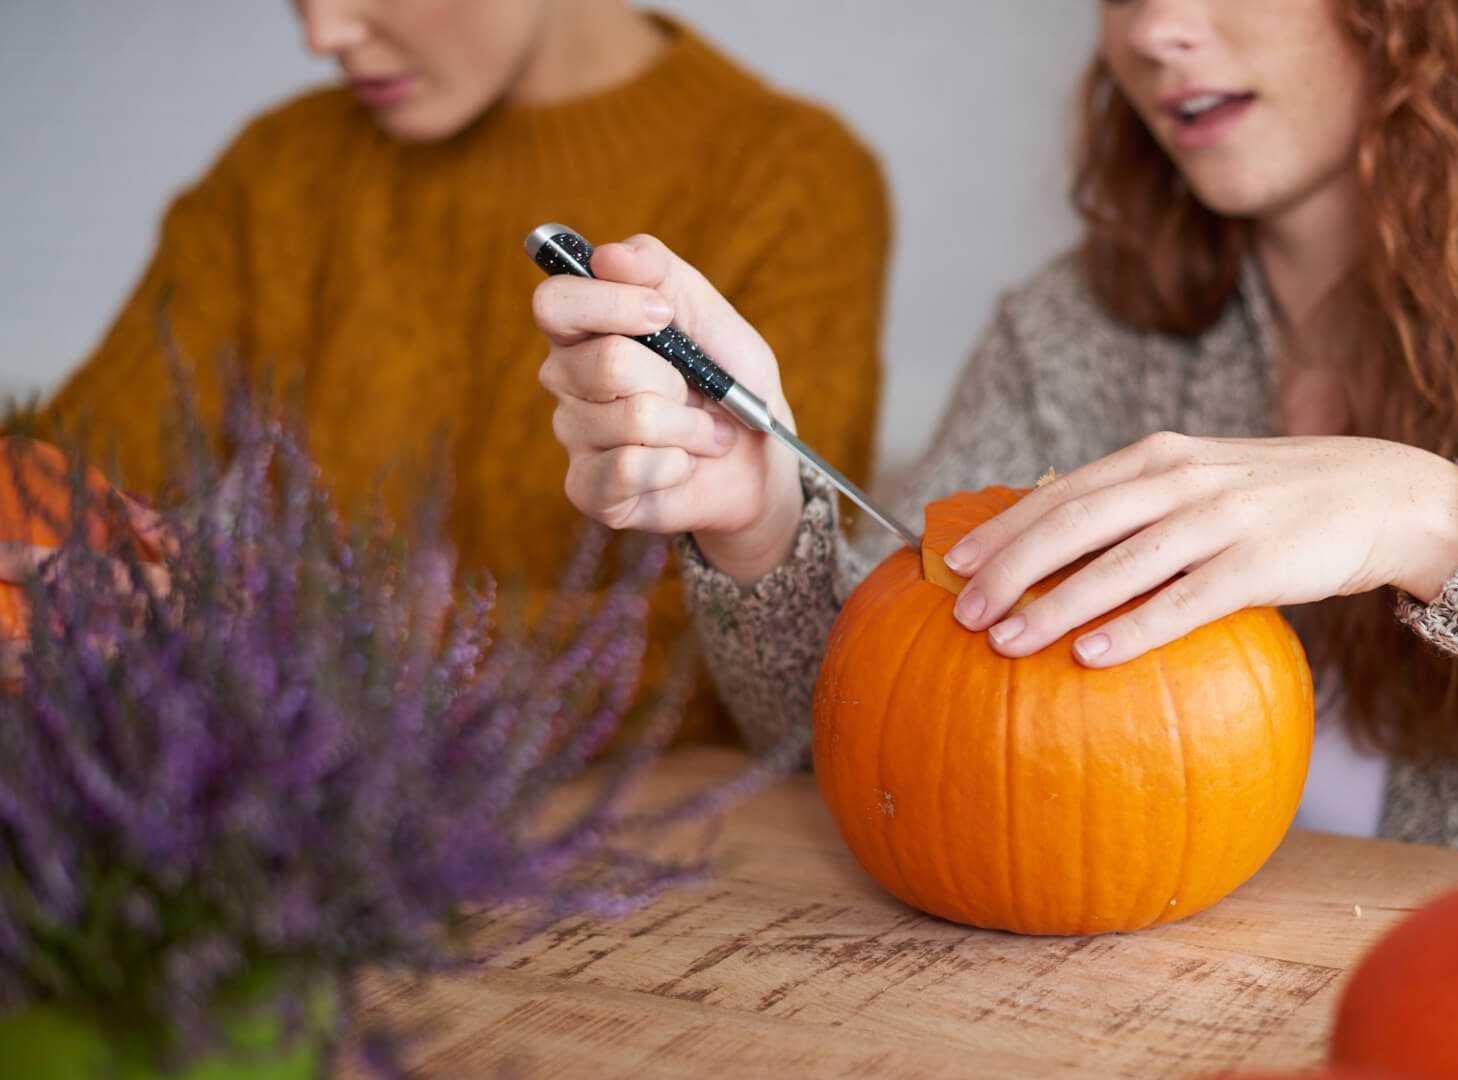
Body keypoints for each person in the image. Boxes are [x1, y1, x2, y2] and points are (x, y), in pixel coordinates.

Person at [532, 0, 1458, 866]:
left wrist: (1444, 523)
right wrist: (758, 517)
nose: (1151, 29)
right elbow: (899, 760)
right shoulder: (1068, 334)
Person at [17, 0, 891, 744]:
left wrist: (323, 637)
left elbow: (761, 644)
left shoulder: (792, 182)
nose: (322, 29)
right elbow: (49, 493)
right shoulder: (277, 176)